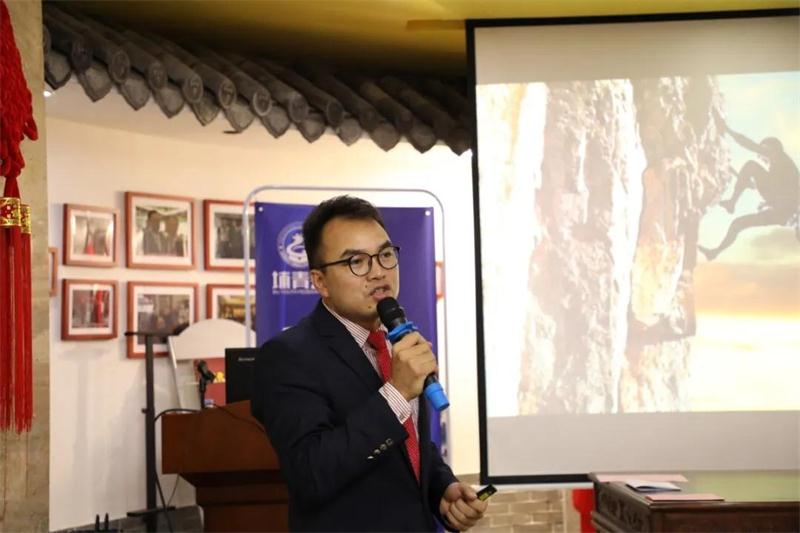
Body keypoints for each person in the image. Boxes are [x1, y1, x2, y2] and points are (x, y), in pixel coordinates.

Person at [252, 196, 486, 531]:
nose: (378, 272)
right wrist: (397, 393)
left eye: (385, 255)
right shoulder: (287, 356)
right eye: (356, 262)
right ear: (320, 281)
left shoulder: (395, 339)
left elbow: (408, 444)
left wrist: (441, 489)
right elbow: (310, 473)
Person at [699, 114, 799, 260]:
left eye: (763, 152)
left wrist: (727, 130)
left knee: (751, 166)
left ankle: (732, 202)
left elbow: (749, 145)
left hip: (784, 209)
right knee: (738, 224)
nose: (762, 157)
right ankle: (714, 252)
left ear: (772, 148)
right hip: (781, 213)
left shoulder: (778, 156)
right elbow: (784, 190)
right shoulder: (782, 167)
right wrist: (769, 202)